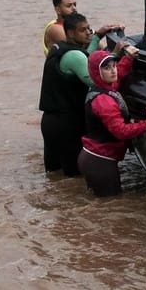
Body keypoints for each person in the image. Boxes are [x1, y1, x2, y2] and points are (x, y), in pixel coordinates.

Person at [78, 47, 146, 196]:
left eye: (113, 66)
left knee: (99, 205)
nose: (113, 71)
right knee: (110, 203)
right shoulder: (104, 101)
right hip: (100, 161)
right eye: (107, 68)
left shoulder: (101, 86)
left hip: (93, 157)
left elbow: (118, 75)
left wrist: (128, 58)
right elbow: (121, 131)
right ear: (97, 72)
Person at [39, 13, 97, 176]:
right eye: (82, 30)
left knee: (54, 174)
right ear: (70, 33)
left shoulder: (58, 49)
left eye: (89, 28)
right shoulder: (74, 56)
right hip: (68, 124)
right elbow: (97, 81)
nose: (88, 32)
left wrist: (97, 37)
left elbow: (83, 57)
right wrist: (117, 56)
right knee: (75, 176)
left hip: (50, 121)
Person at [43, 0, 124, 55]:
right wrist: (98, 35)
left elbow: (97, 45)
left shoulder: (75, 26)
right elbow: (77, 51)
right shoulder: (56, 29)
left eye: (75, 5)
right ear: (58, 10)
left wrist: (108, 30)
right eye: (69, 6)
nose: (74, 8)